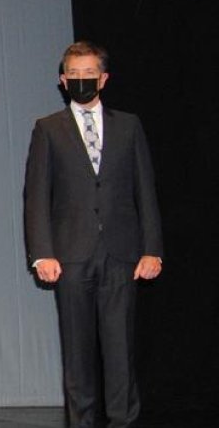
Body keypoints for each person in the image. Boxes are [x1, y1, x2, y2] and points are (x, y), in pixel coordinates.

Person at [23, 41, 163, 428]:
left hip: (122, 254)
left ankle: (123, 421)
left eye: (89, 74)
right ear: (62, 80)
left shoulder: (129, 125)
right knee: (78, 354)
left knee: (121, 351)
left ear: (103, 78)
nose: (82, 80)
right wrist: (42, 253)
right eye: (75, 74)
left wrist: (152, 249)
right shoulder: (48, 129)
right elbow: (36, 196)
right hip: (69, 255)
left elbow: (145, 189)